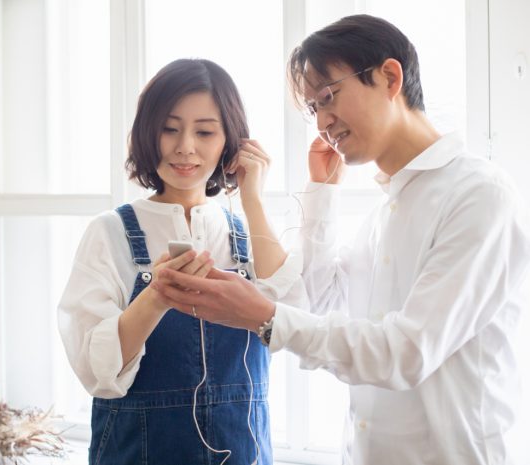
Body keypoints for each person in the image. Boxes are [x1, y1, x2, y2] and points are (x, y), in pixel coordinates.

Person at [151, 14, 530, 465]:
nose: (322, 123)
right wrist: (321, 194)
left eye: (328, 97)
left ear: (390, 77)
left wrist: (263, 316)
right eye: (313, 109)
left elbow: (405, 353)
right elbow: (313, 301)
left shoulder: (476, 195)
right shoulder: (381, 214)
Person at [58, 58, 307, 465]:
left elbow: (293, 320)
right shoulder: (110, 232)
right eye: (169, 129)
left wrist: (252, 198)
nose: (185, 146)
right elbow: (95, 369)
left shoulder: (247, 235)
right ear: (146, 134)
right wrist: (156, 295)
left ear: (231, 141)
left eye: (205, 131)